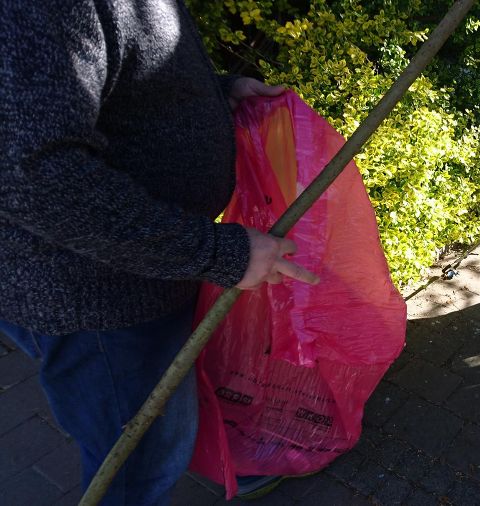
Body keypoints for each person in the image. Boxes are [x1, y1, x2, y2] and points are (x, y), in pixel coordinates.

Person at [0, 1, 318, 504]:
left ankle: (213, 456)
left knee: (163, 414)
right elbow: (36, 177)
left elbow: (117, 76)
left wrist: (214, 93)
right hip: (97, 296)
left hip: (136, 274)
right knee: (135, 463)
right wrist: (217, 254)